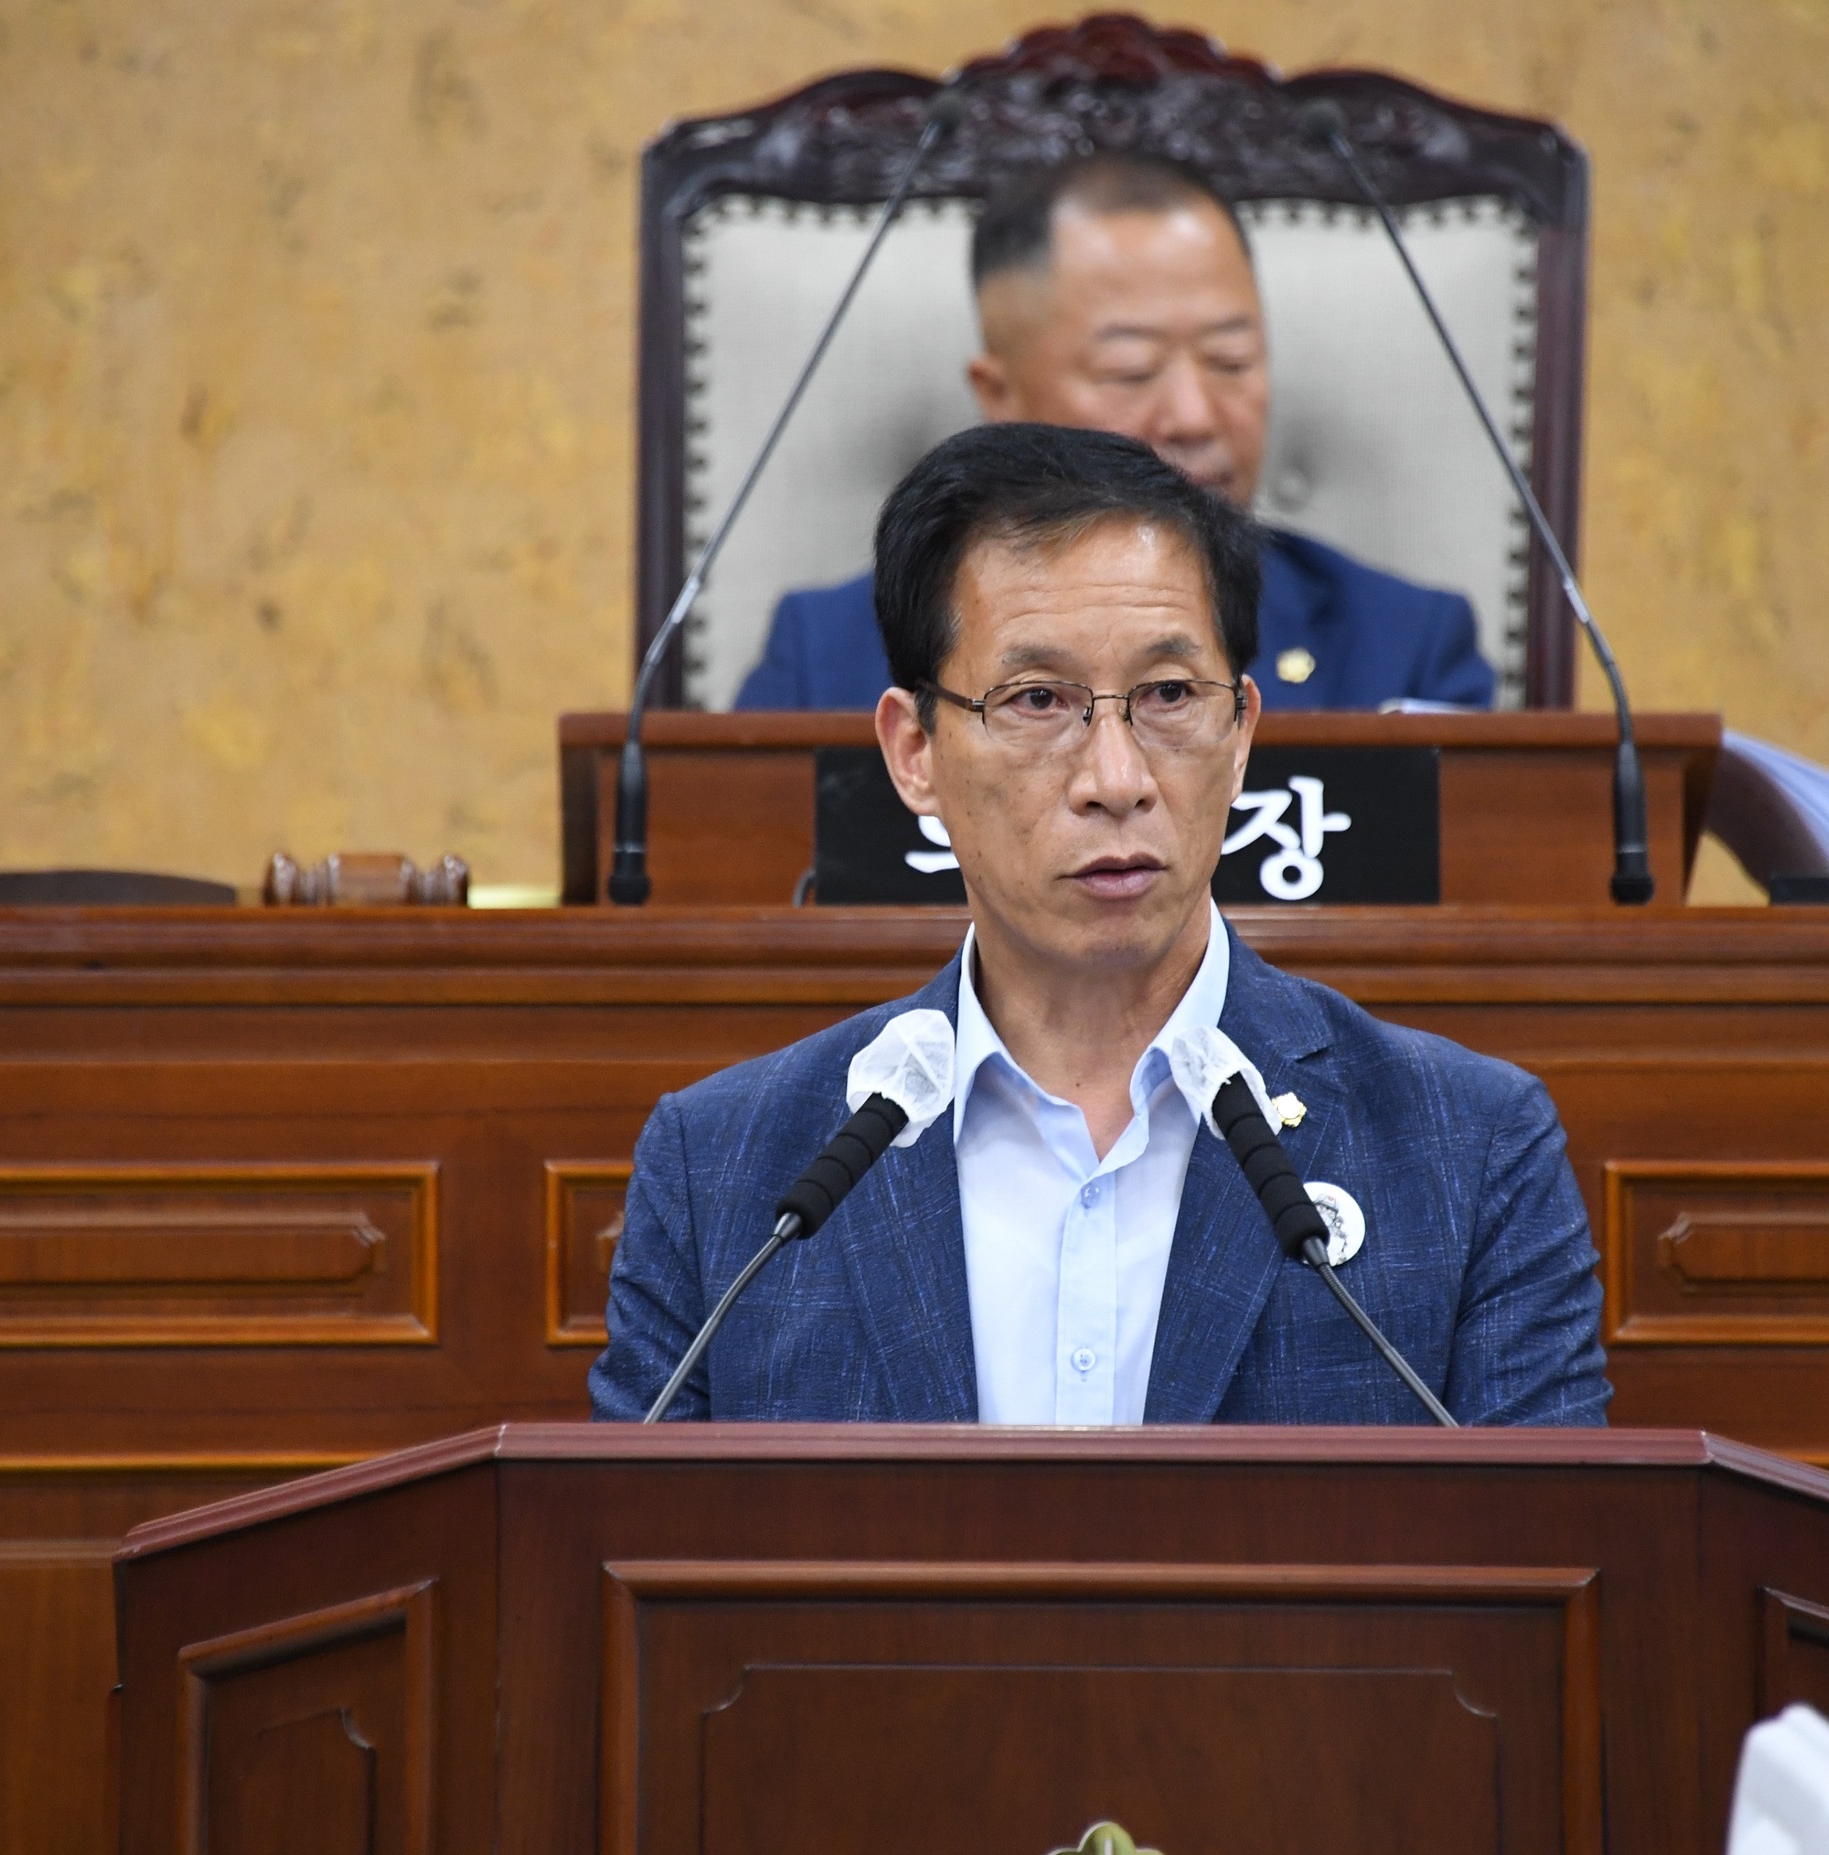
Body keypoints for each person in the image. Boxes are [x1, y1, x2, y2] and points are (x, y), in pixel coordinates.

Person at [593, 423, 1607, 1425]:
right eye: (1038, 699)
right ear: (914, 752)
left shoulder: (1472, 1153)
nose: (1116, 780)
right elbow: (630, 1569)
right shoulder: (725, 1173)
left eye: (1169, 694)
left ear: (1243, 731)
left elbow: (1554, 1572)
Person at [732, 150, 1499, 715]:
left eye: (1232, 359)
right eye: (1132, 372)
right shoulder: (825, 659)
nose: (1195, 416)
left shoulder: (1408, 648)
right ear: (1001, 396)